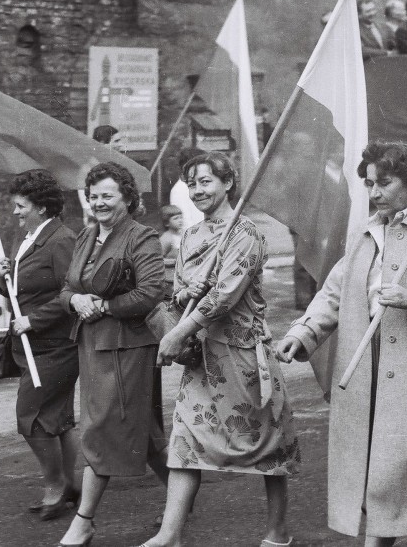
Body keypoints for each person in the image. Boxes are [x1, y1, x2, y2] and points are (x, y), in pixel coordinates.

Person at [277, 142, 407, 547]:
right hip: (368, 374)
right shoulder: (368, 230)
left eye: (384, 183)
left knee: (387, 481)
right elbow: (334, 291)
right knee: (399, 484)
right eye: (370, 183)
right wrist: (303, 332)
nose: (374, 192)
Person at [141, 152, 300, 547]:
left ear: (227, 184)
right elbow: (178, 294)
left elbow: (226, 296)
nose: (197, 191)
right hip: (201, 357)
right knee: (186, 440)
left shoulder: (245, 233)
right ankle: (170, 534)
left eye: (206, 181)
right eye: (191, 183)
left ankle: (278, 531)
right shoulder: (192, 237)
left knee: (265, 442)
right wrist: (183, 292)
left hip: (242, 354)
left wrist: (179, 333)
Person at [57, 162, 167, 547]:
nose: (99, 203)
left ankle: (83, 521)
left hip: (127, 347)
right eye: (94, 196)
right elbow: (65, 289)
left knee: (100, 427)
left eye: (107, 195)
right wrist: (76, 299)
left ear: (127, 198)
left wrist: (103, 306)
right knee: (145, 433)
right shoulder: (86, 236)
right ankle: (181, 498)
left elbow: (151, 291)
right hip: (91, 346)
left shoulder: (142, 236)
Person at [0, 170, 81, 521]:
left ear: (42, 208)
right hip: (34, 347)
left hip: (55, 346)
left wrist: (35, 320)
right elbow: (20, 291)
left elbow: (71, 293)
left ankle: (55, 484)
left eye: (20, 206)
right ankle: (71, 485)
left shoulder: (62, 240)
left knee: (29, 417)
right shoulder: (29, 237)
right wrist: (4, 276)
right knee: (56, 419)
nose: (15, 212)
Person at [159, 204, 184, 299]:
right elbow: (158, 260)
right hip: (170, 278)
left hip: (181, 275)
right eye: (176, 218)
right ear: (167, 223)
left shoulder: (183, 234)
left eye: (181, 217)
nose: (180, 220)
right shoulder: (166, 238)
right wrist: (173, 261)